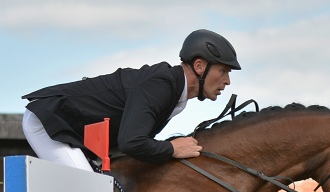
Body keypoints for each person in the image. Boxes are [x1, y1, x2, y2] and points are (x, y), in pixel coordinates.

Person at [22, 29, 240, 172]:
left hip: (73, 130)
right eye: (223, 71)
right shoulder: (162, 85)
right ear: (200, 66)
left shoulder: (175, 92)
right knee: (89, 191)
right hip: (49, 120)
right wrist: (171, 149)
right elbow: (131, 142)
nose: (227, 81)